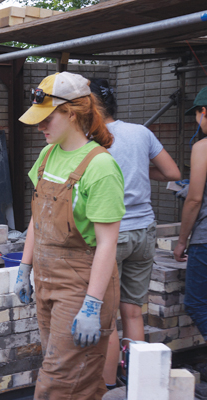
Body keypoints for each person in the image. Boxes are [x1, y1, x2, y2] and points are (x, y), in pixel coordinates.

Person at [13, 71, 124, 400]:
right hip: (47, 284)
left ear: (71, 114)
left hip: (81, 288)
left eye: (47, 119)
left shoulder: (100, 166)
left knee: (56, 387)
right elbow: (37, 218)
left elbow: (107, 243)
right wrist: (24, 267)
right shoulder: (48, 154)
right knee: (74, 381)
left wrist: (92, 306)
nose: (40, 127)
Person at [89, 79, 181, 389]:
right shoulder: (142, 133)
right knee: (132, 311)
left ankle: (108, 387)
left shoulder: (93, 139)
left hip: (110, 236)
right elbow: (173, 173)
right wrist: (141, 168)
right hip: (144, 231)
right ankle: (138, 382)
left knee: (107, 319)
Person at [174, 87, 207, 340]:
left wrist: (182, 241)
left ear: (203, 111)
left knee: (196, 303)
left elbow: (194, 199)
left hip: (205, 240)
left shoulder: (202, 148)